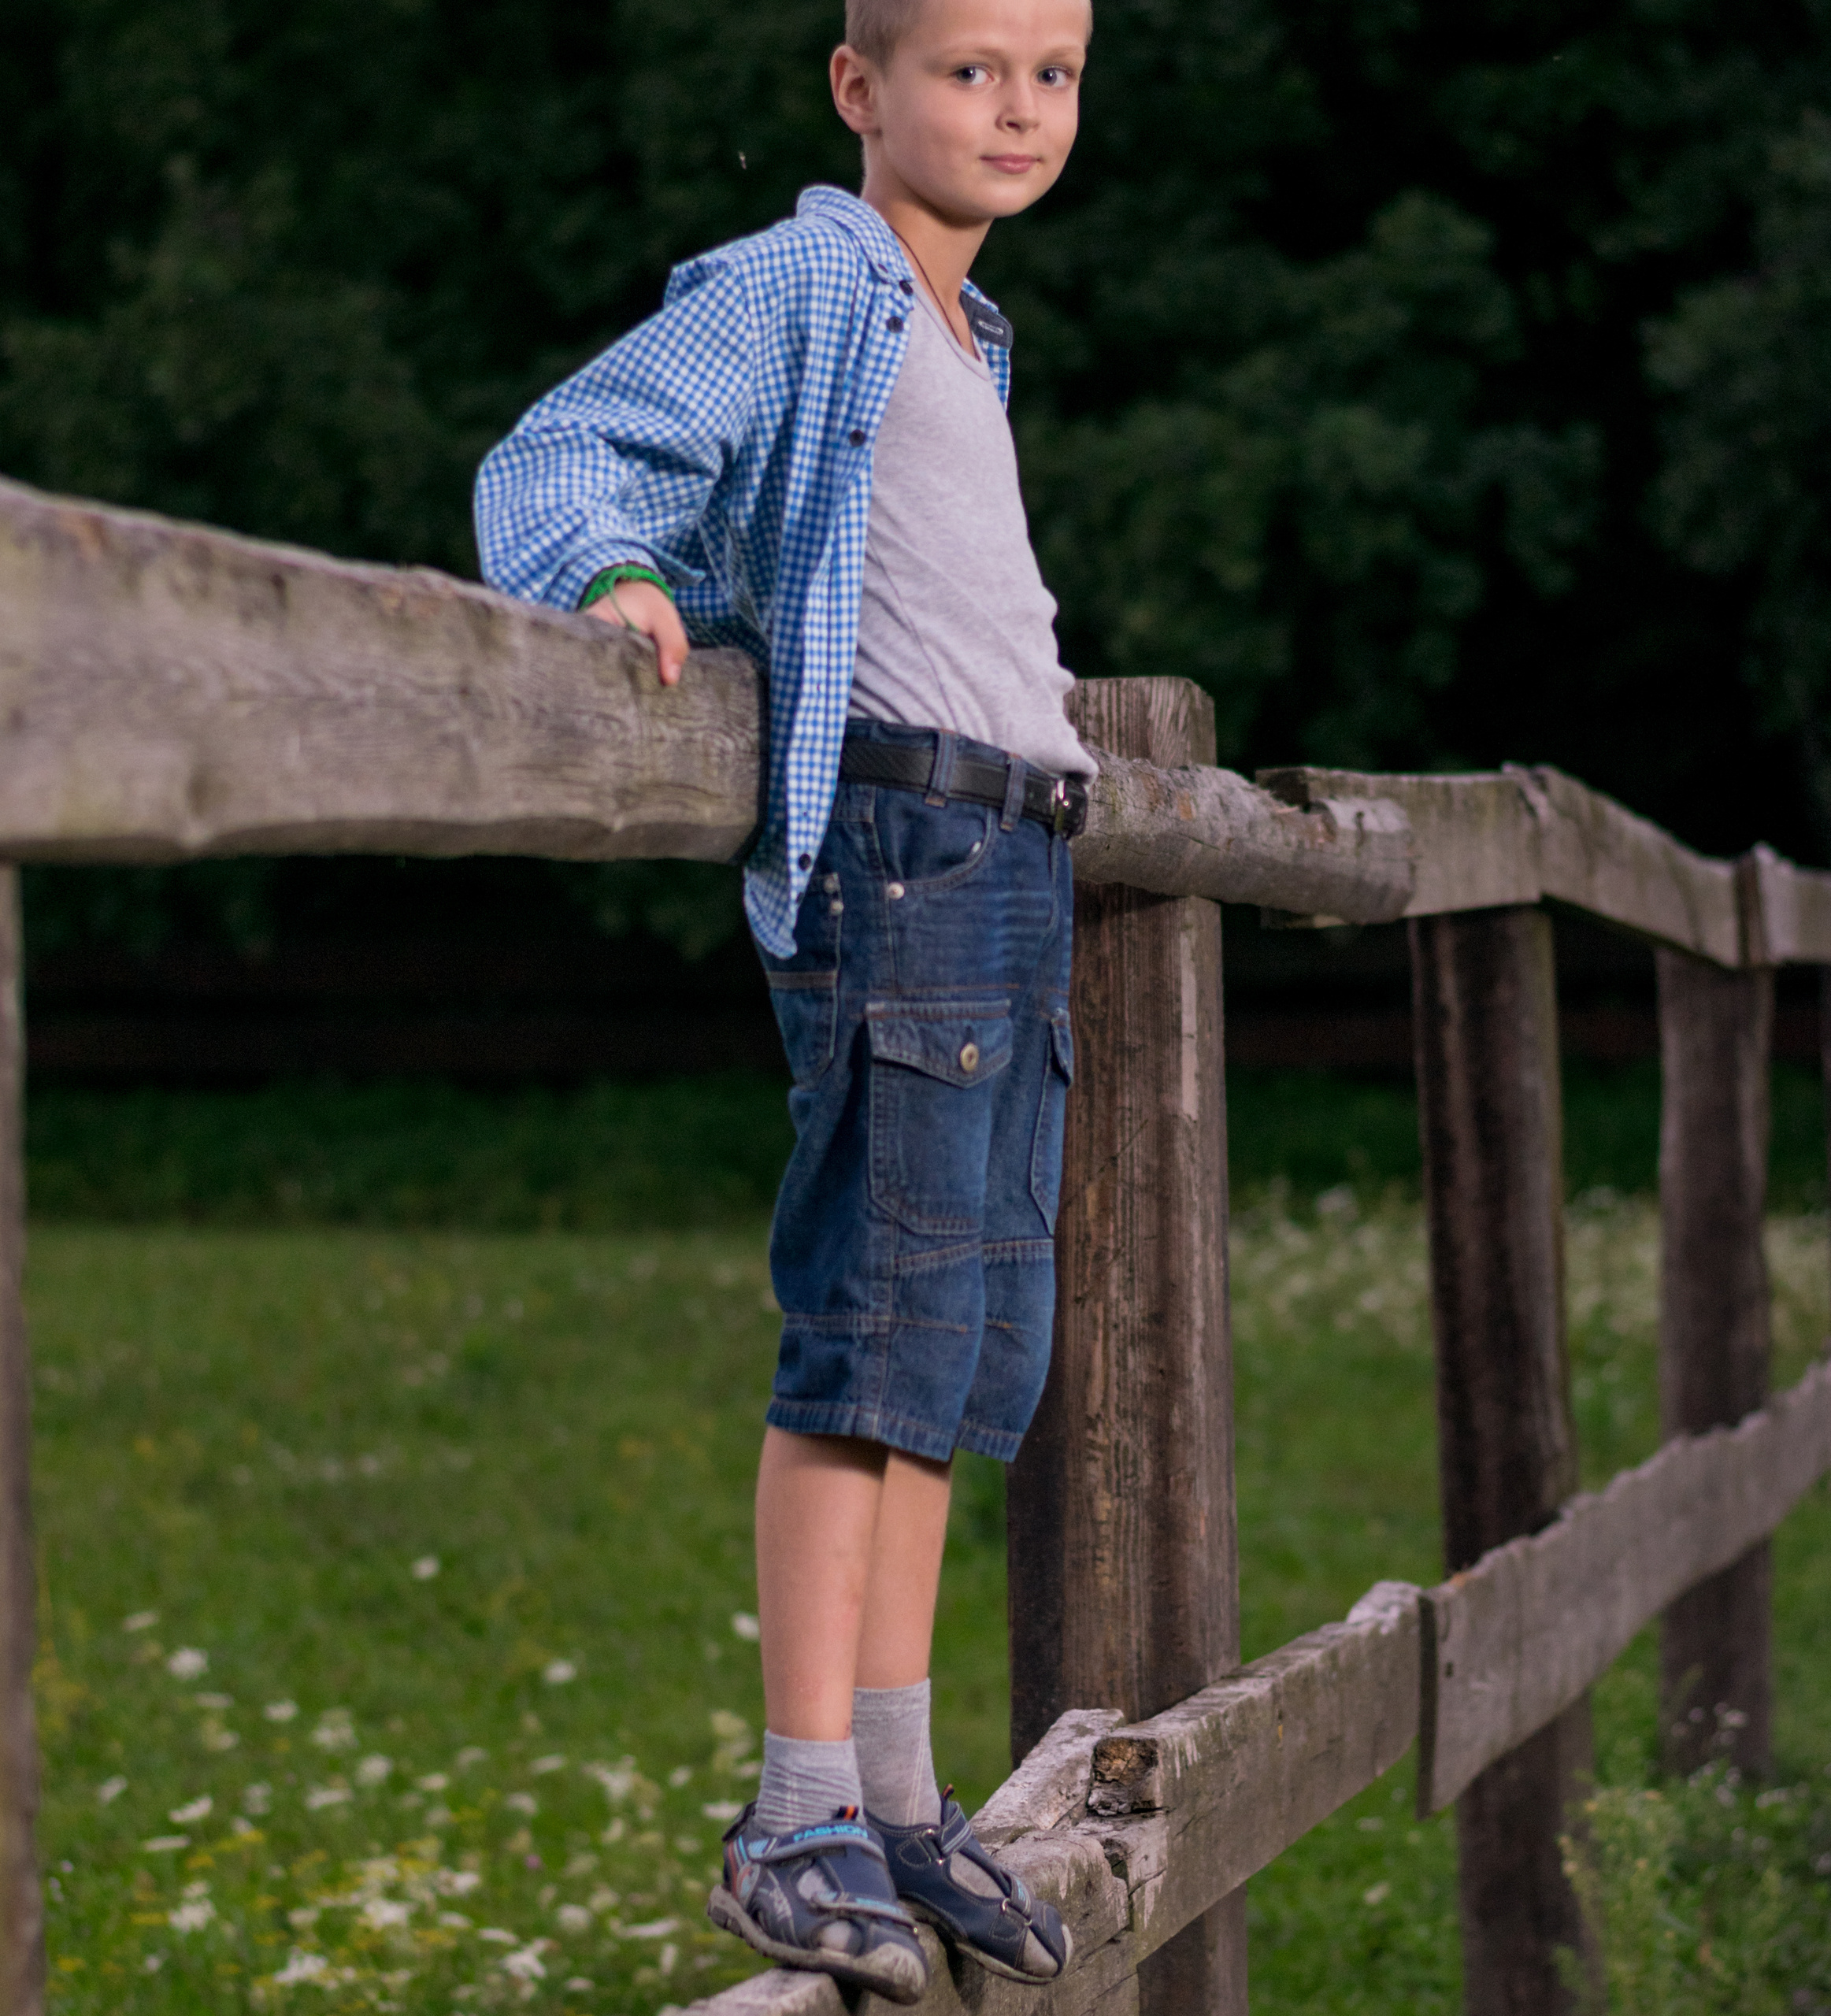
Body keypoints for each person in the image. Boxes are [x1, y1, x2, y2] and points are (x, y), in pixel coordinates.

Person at [473, 0, 1095, 1998]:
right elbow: (565, 446)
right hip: (902, 851)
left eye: (1053, 75)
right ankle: (793, 1805)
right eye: (969, 70)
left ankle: (896, 1801)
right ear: (860, 89)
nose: (1013, 109)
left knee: (945, 1346)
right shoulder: (803, 278)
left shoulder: (971, 337)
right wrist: (605, 570)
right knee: (863, 1327)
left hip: (1014, 853)